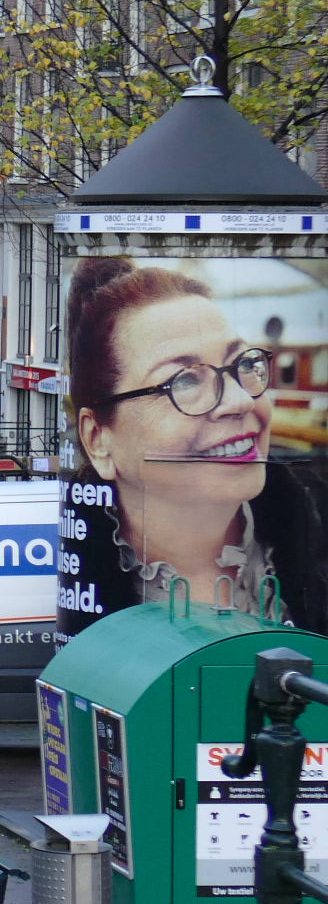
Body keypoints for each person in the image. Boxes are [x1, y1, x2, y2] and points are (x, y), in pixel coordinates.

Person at [66, 255, 328, 628]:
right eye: (185, 381)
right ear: (98, 438)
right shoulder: (85, 571)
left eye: (243, 365)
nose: (239, 400)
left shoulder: (314, 527)